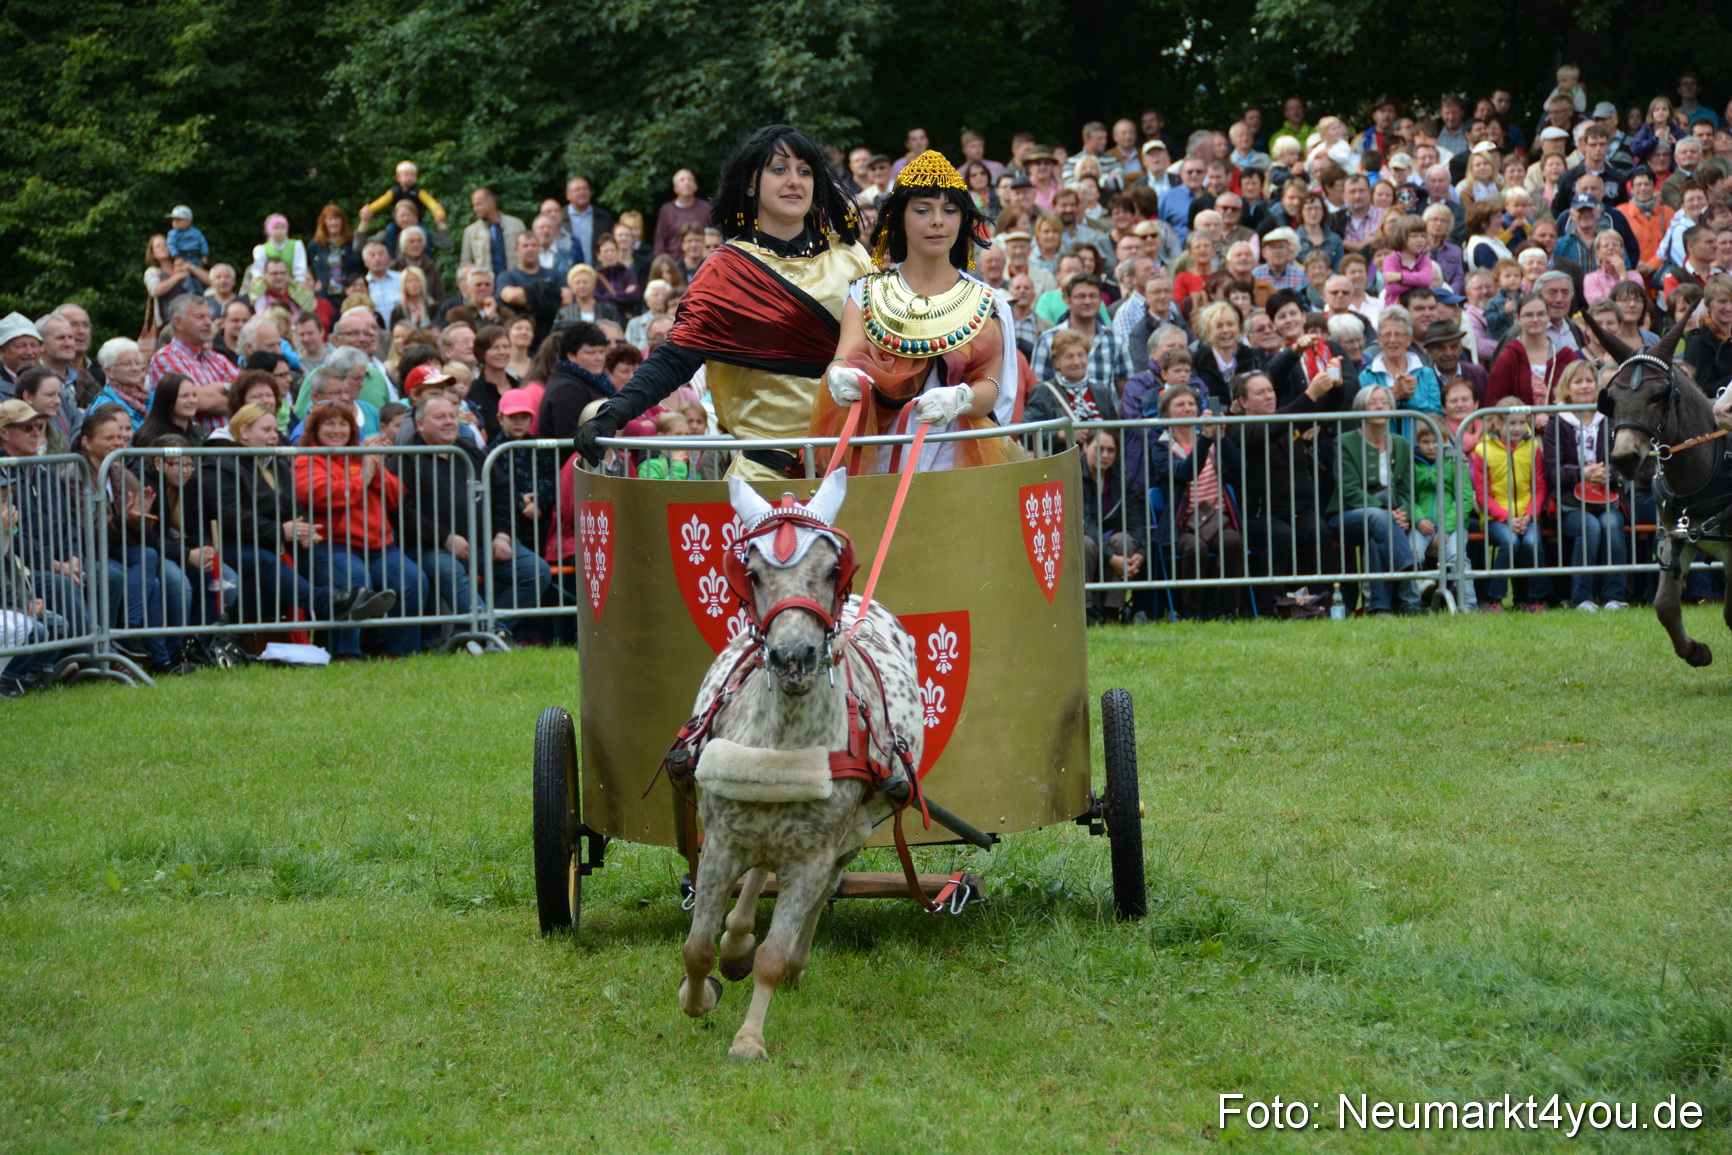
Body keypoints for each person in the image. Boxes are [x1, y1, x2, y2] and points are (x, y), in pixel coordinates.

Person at [577, 126, 872, 481]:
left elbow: (888, 354)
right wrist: (616, 410)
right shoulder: (725, 270)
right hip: (765, 477)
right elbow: (676, 357)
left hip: (854, 468)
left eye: (805, 170)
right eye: (779, 169)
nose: (795, 180)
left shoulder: (852, 257)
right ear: (751, 184)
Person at [814, 149, 1021, 473]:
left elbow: (991, 388)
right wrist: (839, 377)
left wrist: (961, 398)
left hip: (959, 459)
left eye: (950, 210)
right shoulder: (865, 292)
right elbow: (842, 360)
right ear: (900, 217)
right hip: (880, 456)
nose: (938, 221)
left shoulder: (987, 301)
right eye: (923, 210)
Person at [396, 394, 549, 639]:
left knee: (536, 571)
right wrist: (445, 538)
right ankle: (489, 632)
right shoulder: (405, 459)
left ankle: (489, 629)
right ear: (420, 424)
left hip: (483, 543)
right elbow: (404, 510)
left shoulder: (469, 450)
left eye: (451, 416)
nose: (449, 422)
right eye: (440, 417)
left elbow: (503, 490)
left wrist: (503, 534)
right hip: (432, 547)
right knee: (449, 571)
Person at [292, 401, 426, 658]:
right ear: (315, 429)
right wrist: (362, 477)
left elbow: (395, 495)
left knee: (413, 580)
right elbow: (317, 494)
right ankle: (347, 653)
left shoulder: (360, 455)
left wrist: (375, 470)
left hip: (379, 545)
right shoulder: (308, 458)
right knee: (356, 582)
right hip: (333, 545)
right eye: (329, 424)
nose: (337, 430)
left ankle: (400, 652)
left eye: (343, 424)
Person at [74, 404, 193, 671]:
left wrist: (142, 520)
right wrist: (122, 520)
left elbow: (143, 535)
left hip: (119, 548)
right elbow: (86, 530)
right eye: (109, 438)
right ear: (87, 442)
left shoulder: (120, 471)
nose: (118, 443)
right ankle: (151, 649)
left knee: (149, 558)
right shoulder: (74, 474)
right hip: (88, 551)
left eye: (120, 437)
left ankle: (142, 633)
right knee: (145, 582)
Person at [1146, 385, 1245, 618]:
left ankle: (1230, 610)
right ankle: (1193, 611)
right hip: (1183, 525)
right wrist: (1206, 440)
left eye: (1191, 404)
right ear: (1167, 413)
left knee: (1233, 541)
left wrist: (1221, 438)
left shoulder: (1210, 439)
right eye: (1179, 404)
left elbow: (1241, 469)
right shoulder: (1161, 448)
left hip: (1218, 519)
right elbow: (1184, 472)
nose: (1187, 409)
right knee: (1195, 548)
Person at [1326, 385, 1422, 615]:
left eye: (1384, 401)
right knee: (1377, 517)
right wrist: (1385, 511)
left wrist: (1403, 512)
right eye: (1373, 402)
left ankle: (1379, 607)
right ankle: (1412, 573)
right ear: (1361, 409)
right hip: (1347, 515)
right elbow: (1349, 491)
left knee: (1377, 536)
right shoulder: (1345, 442)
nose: (1380, 406)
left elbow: (1409, 492)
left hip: (1387, 522)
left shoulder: (1401, 444)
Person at [1544, 360, 1628, 611]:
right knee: (1589, 527)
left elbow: (1623, 460)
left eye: (1589, 381)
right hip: (1569, 501)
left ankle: (1614, 596)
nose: (1584, 386)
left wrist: (1607, 474)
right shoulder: (1556, 421)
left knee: (1611, 524)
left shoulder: (1611, 417)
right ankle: (1582, 597)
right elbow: (1552, 470)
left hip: (1607, 496)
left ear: (1598, 384)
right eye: (1577, 381)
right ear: (1567, 388)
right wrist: (1582, 474)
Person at [1472, 398, 1551, 611]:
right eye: (1511, 423)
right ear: (1497, 423)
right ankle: (1494, 598)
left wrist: (1529, 515)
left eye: (1521, 422)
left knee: (1532, 542)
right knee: (1510, 542)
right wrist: (1506, 518)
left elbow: (1540, 487)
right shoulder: (1483, 450)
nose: (1517, 428)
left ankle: (1535, 599)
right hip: (1496, 517)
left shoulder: (1533, 447)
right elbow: (1482, 494)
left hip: (1527, 514)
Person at [1079, 429, 1148, 624]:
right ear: (1084, 447)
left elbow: (1135, 520)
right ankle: (1087, 613)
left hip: (1109, 537)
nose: (1105, 455)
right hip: (1083, 536)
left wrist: (1140, 553)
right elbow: (1086, 524)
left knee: (1124, 541)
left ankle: (1112, 612)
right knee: (1086, 544)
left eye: (1111, 450)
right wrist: (1111, 557)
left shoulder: (1123, 477)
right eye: (1099, 449)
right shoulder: (1074, 474)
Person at [1410, 420, 1476, 611]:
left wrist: (1447, 527)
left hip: (1452, 525)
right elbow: (1408, 496)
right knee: (1412, 552)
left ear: (1445, 440)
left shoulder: (1454, 461)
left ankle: (1468, 604)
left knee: (1457, 556)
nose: (1431, 446)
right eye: (1425, 442)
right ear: (1418, 442)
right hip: (1423, 526)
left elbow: (1464, 497)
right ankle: (1414, 603)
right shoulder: (1412, 463)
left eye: (1436, 441)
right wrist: (1419, 519)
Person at [1485, 293, 1578, 411]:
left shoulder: (1566, 356)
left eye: (1540, 314)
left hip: (1561, 428)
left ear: (1548, 317)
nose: (1535, 319)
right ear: (1518, 319)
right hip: (1520, 428)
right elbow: (1494, 403)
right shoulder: (1508, 357)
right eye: (1528, 315)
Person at [1681, 274, 1732, 396]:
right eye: (1722, 302)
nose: (1729, 307)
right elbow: (1702, 390)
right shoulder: (1698, 341)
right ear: (1708, 306)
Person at [460, 188, 527, 277]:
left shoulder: (517, 225)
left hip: (515, 280)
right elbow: (466, 263)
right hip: (486, 285)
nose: (476, 209)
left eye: (479, 204)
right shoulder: (471, 232)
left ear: (492, 203)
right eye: (474, 205)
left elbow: (527, 253)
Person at [133, 372, 207, 449]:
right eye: (184, 396)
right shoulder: (148, 438)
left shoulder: (198, 434)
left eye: (194, 395)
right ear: (168, 400)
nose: (192, 401)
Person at [15, 367, 77, 455]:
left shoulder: (60, 439)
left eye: (59, 395)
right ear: (28, 396)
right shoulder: (6, 437)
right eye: (50, 395)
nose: (57, 401)